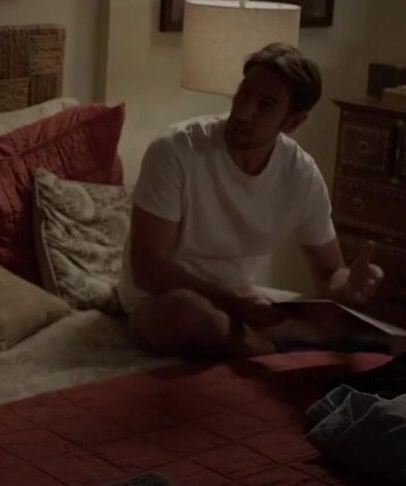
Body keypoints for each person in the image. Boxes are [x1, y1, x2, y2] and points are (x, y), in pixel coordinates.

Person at [119, 42, 385, 359]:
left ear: (292, 123)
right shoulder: (176, 150)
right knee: (191, 313)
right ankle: (273, 357)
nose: (244, 112)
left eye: (264, 106)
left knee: (351, 330)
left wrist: (350, 286)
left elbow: (329, 274)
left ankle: (277, 346)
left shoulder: (300, 174)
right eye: (243, 94)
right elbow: (149, 269)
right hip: (160, 299)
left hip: (239, 300)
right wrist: (233, 303)